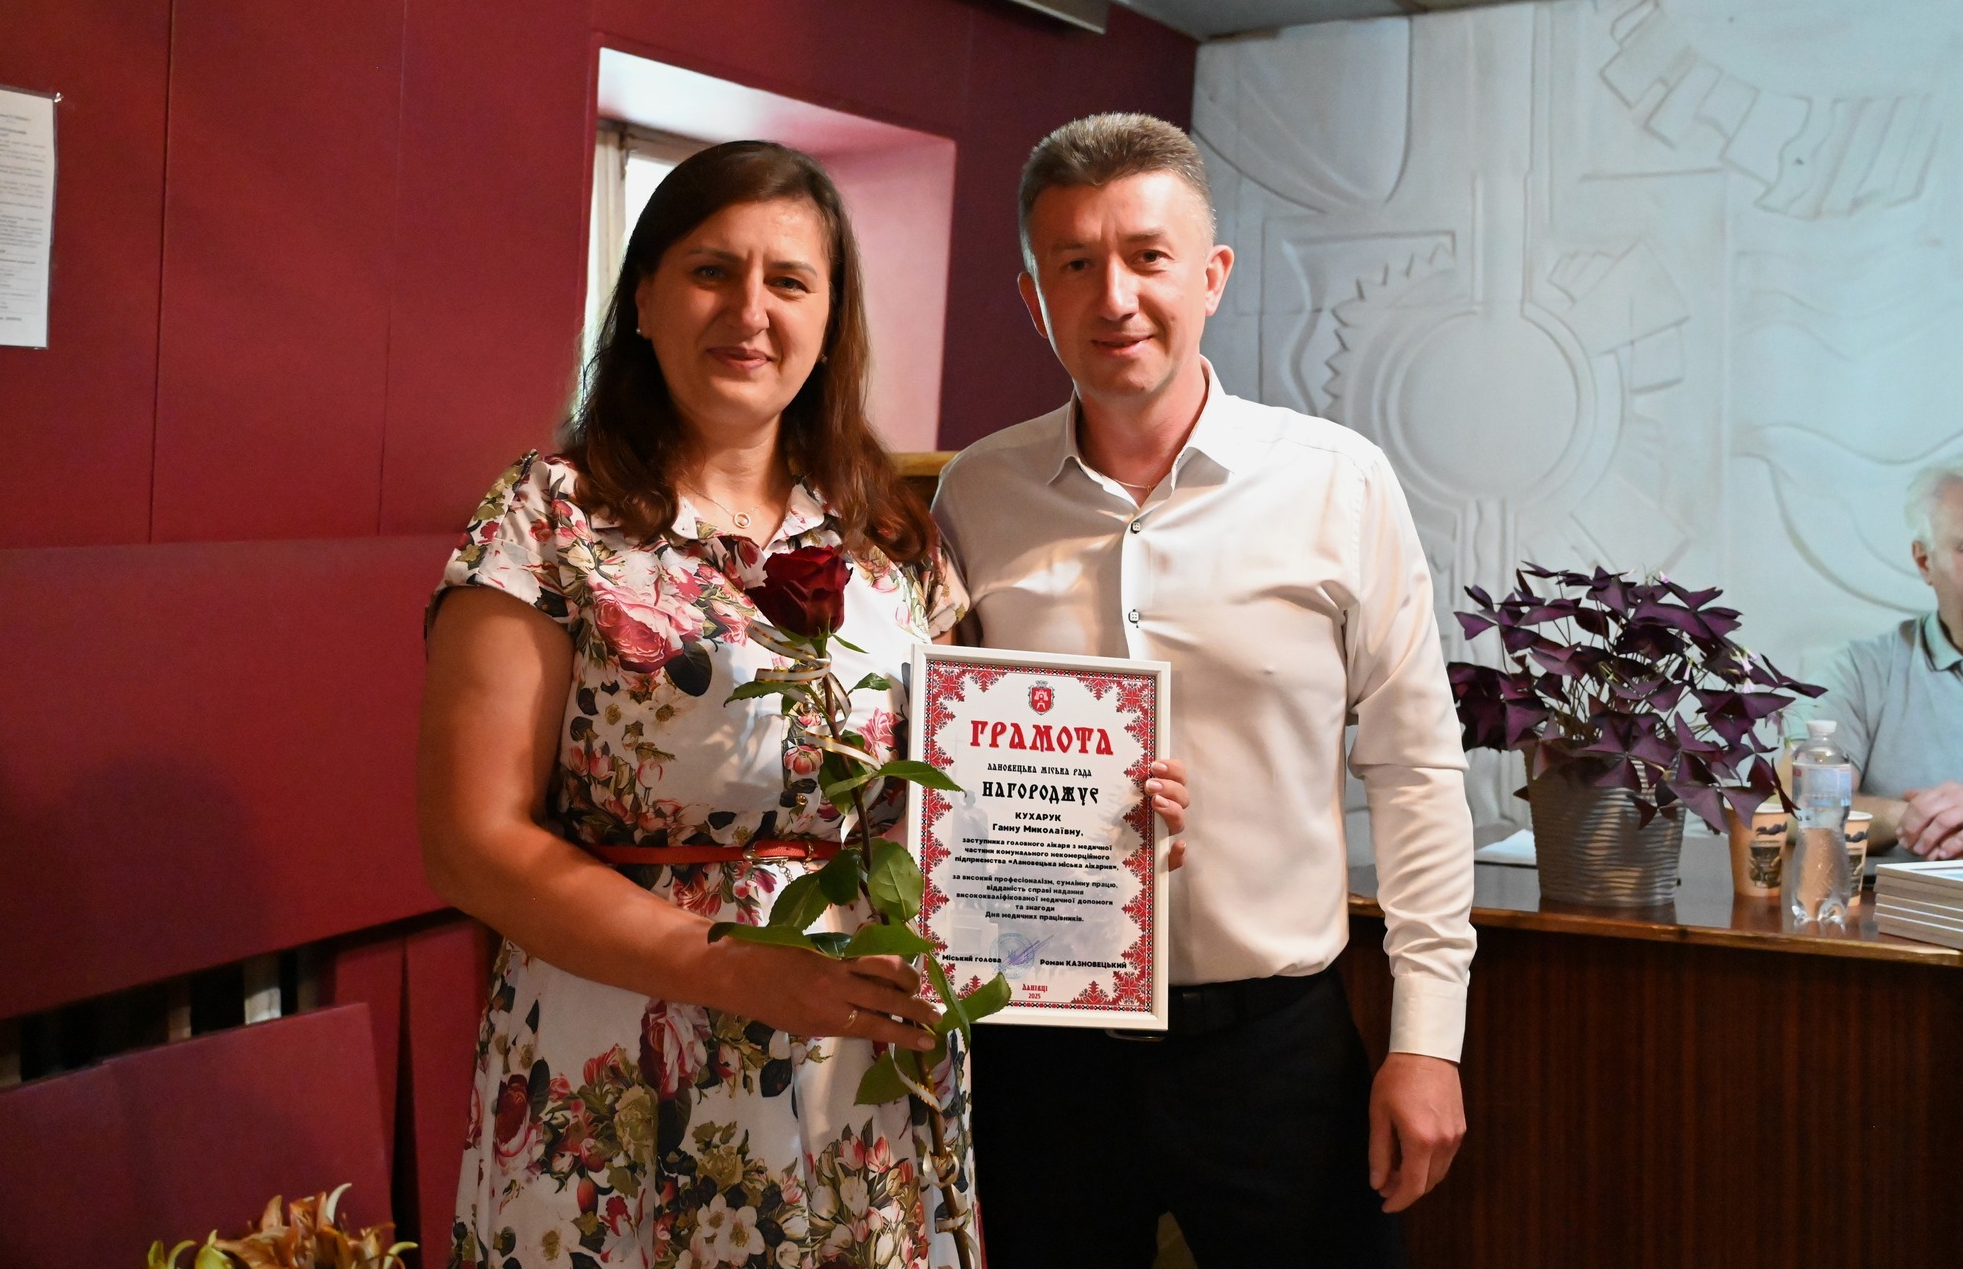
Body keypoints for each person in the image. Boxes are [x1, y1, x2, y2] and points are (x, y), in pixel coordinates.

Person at [416, 139, 1192, 1269]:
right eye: (710, 271)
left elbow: (961, 807)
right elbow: (471, 841)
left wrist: (1099, 841)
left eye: (788, 281)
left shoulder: (894, 539)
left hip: (863, 1076)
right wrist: (732, 967)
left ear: (829, 321)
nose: (750, 311)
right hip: (621, 1063)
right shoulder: (549, 521)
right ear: (643, 299)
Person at [933, 113, 1474, 1269]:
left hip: (1273, 1050)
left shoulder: (1335, 483)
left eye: (1147, 256)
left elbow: (1416, 769)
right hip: (1038, 1049)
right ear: (1032, 297)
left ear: (1211, 275)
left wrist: (1427, 1037)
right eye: (1073, 263)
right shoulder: (975, 494)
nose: (1113, 296)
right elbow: (938, 760)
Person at [1811, 461, 1963, 860]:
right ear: (1924, 561)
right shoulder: (1860, 670)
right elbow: (1799, 802)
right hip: (1895, 901)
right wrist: (1913, 818)